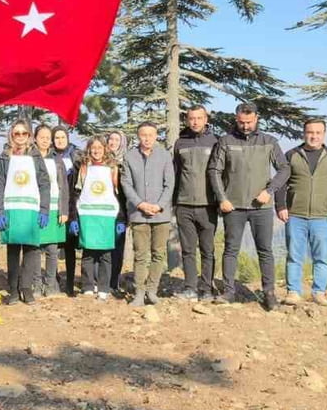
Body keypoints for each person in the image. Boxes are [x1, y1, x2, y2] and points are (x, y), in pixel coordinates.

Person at [207, 103, 290, 307]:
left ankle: (269, 293)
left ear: (256, 118)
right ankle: (228, 291)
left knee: (265, 250)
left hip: (261, 207)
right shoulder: (226, 141)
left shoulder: (269, 141)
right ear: (236, 119)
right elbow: (214, 170)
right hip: (232, 206)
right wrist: (222, 198)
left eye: (249, 122)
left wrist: (269, 191)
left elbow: (284, 169)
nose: (245, 126)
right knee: (230, 249)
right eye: (242, 122)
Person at [276, 118, 327, 306]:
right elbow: (281, 183)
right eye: (310, 132)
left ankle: (319, 292)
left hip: (323, 216)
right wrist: (281, 206)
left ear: (323, 134)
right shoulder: (292, 154)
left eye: (318, 132)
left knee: (322, 257)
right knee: (294, 255)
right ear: (304, 133)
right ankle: (293, 291)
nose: (314, 136)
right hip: (295, 215)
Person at [0, 120, 52, 304]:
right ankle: (13, 289)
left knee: (31, 250)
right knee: (13, 249)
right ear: (11, 135)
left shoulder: (35, 156)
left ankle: (26, 288)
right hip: (11, 209)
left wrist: (44, 209)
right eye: (16, 133)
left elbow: (44, 183)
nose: (20, 137)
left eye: (23, 133)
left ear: (29, 136)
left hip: (31, 210)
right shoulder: (4, 157)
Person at [122, 122, 175, 306]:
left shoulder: (165, 156)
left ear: (156, 135)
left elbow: (170, 184)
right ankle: (139, 292)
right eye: (143, 135)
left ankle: (152, 290)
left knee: (158, 253)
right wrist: (140, 204)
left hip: (161, 214)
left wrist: (159, 205)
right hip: (139, 214)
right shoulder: (130, 157)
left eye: (151, 135)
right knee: (140, 254)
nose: (147, 138)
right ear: (138, 136)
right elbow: (126, 184)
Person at [69, 136, 124, 300]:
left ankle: (104, 287)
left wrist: (121, 219)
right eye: (93, 148)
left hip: (107, 215)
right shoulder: (83, 167)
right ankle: (87, 285)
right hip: (87, 214)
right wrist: (74, 217)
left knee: (106, 253)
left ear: (105, 149)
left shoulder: (113, 168)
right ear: (89, 149)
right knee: (88, 252)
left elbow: (118, 194)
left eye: (100, 147)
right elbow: (75, 192)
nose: (96, 151)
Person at [173, 106, 217, 301]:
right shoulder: (180, 143)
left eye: (199, 118)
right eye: (192, 118)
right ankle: (190, 287)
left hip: (208, 205)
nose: (195, 122)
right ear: (186, 120)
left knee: (208, 250)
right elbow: (175, 173)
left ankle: (207, 288)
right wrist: (173, 202)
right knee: (188, 250)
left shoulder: (215, 142)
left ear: (206, 119)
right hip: (184, 205)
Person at [32, 124, 70, 298]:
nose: (46, 140)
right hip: (35, 208)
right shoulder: (30, 157)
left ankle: (51, 284)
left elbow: (64, 187)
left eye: (48, 137)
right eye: (42, 137)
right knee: (34, 248)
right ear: (35, 138)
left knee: (52, 249)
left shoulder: (57, 159)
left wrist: (64, 210)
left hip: (55, 208)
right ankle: (36, 284)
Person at [53, 127, 82, 295]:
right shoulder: (48, 156)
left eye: (62, 137)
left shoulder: (76, 156)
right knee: (53, 245)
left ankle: (70, 283)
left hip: (72, 205)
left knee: (70, 247)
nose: (60, 140)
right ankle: (54, 280)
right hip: (54, 205)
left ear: (68, 138)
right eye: (56, 137)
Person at [105, 130, 130, 294]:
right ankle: (100, 281)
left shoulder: (126, 163)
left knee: (117, 248)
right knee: (102, 247)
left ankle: (113, 282)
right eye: (111, 139)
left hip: (120, 212)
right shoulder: (100, 161)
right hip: (102, 211)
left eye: (117, 139)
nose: (113, 142)